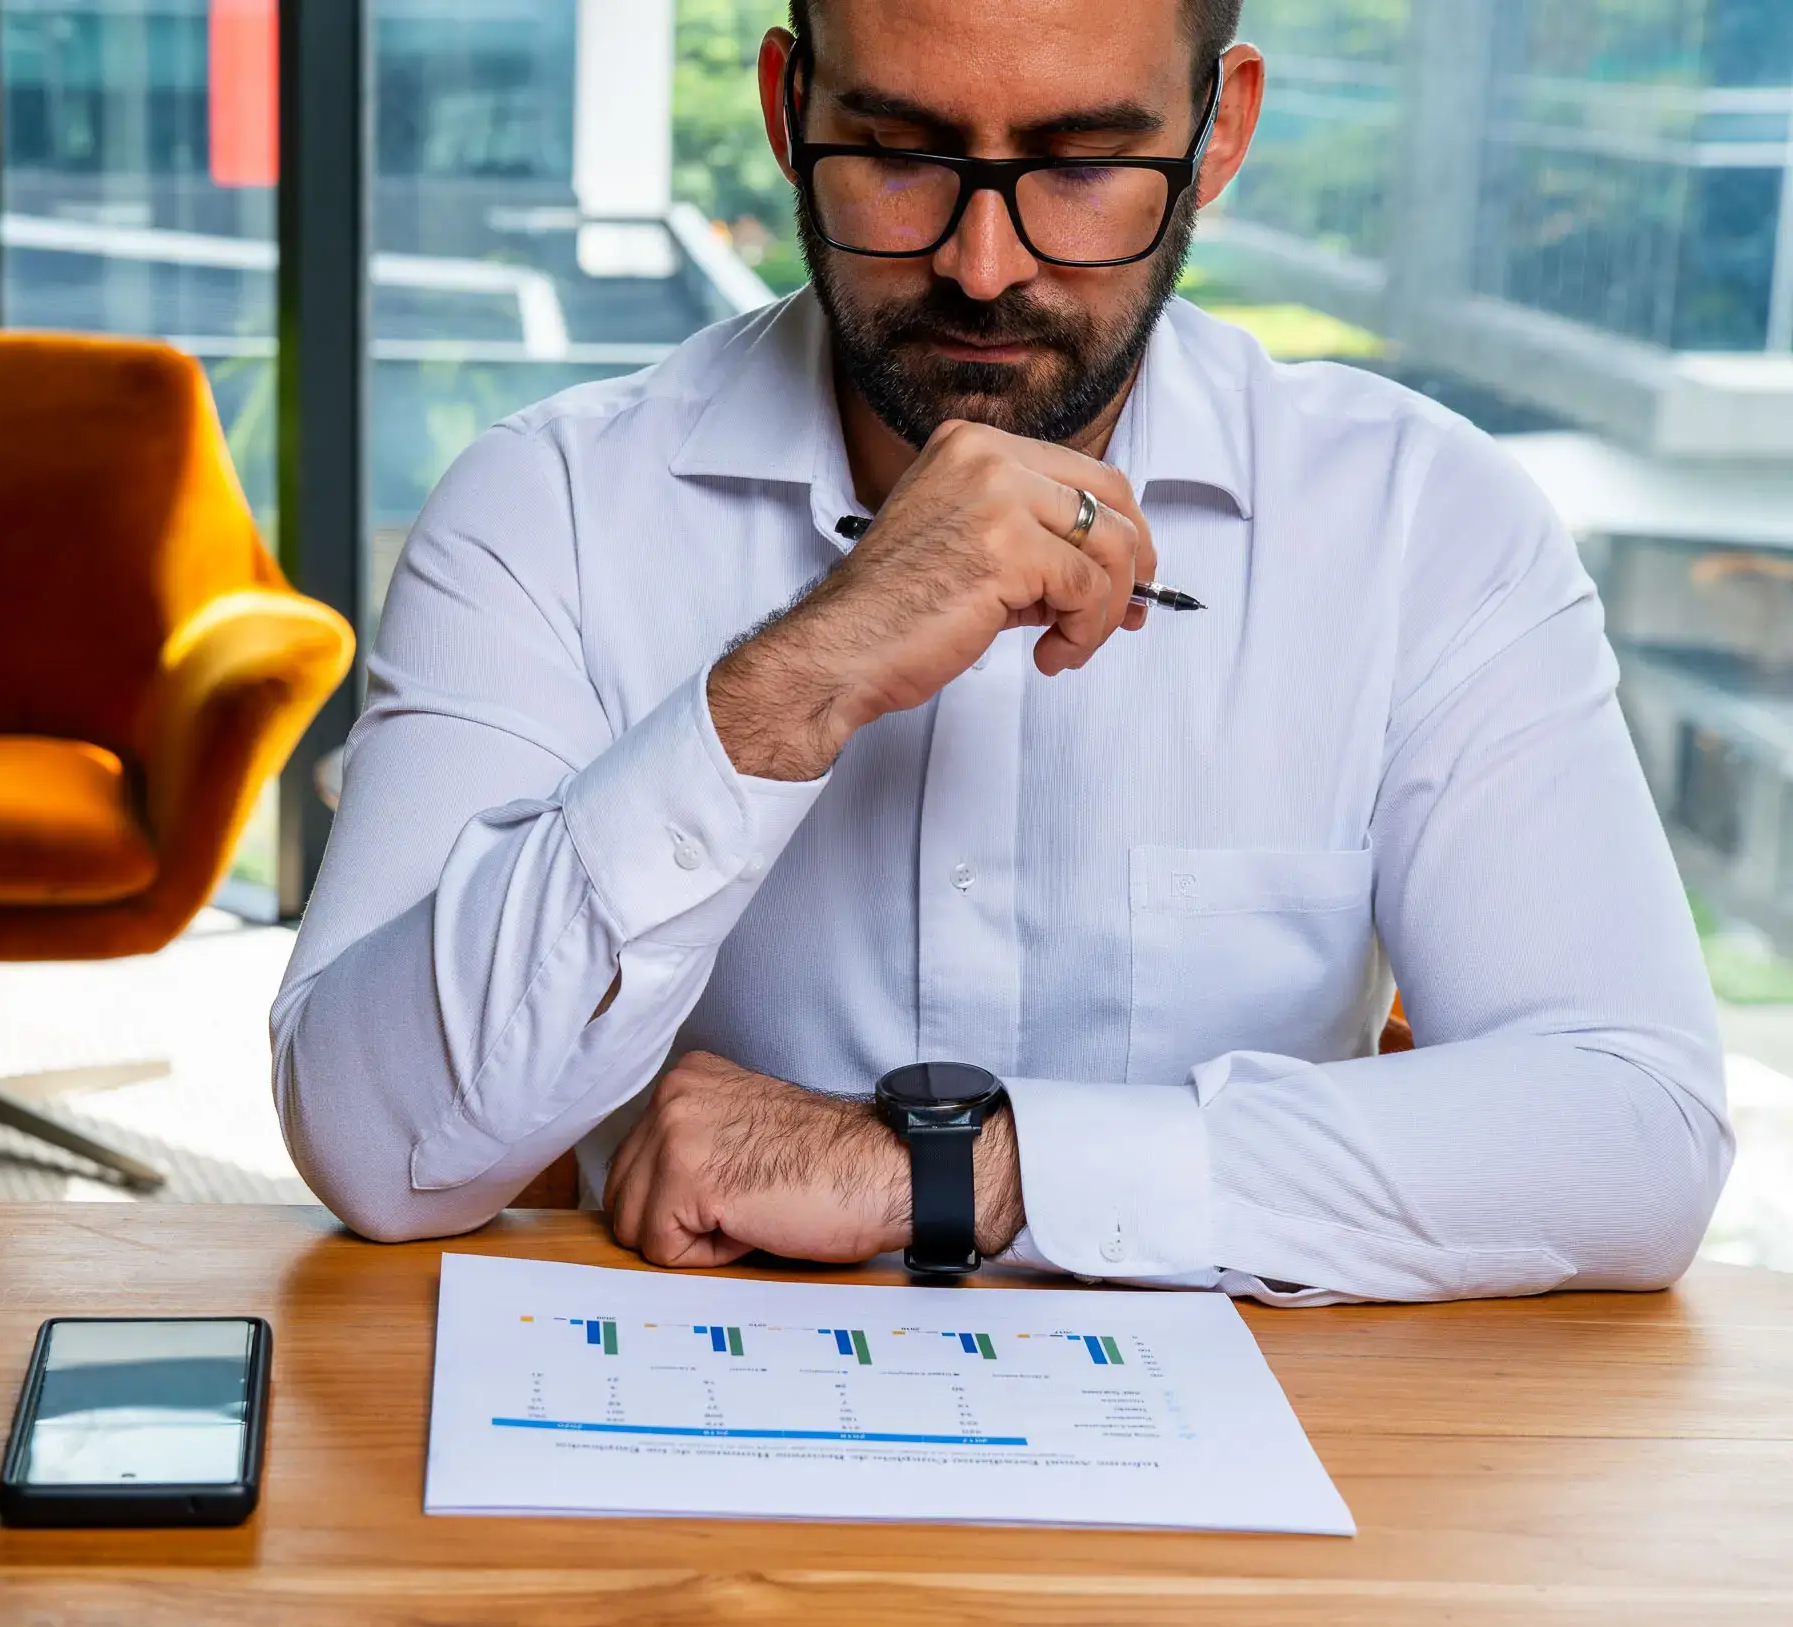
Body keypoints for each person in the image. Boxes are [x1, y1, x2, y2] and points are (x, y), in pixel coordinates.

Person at [269, 0, 1731, 1303]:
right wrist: (791, 681)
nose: (983, 264)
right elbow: (374, 1141)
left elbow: (1636, 1128)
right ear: (788, 111)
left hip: (1249, 1509)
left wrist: (961, 1173)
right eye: (899, 150)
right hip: (697, 1499)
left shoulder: (1424, 523)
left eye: (1084, 165)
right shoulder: (552, 505)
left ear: (1219, 134)